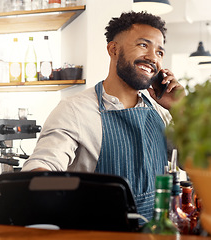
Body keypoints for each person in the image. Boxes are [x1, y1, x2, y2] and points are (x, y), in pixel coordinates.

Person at [22, 11, 185, 224]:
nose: (153, 57)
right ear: (113, 49)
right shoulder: (75, 110)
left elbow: (193, 163)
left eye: (160, 52)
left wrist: (181, 109)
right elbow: (37, 172)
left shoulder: (161, 113)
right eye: (143, 45)